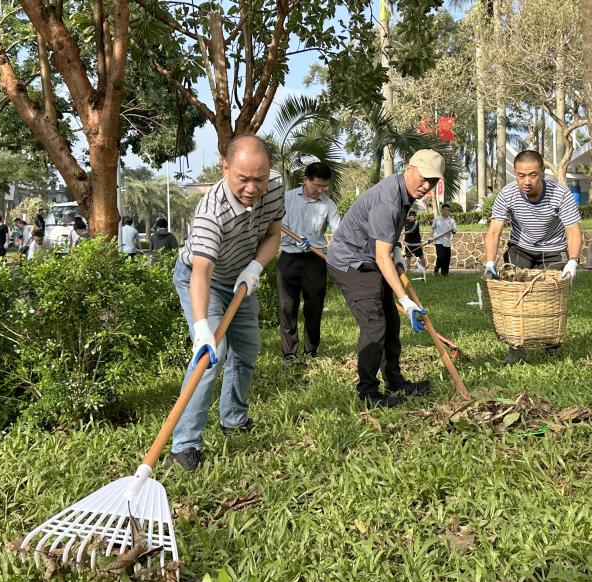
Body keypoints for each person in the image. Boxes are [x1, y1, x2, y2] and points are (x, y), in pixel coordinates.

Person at [169, 135, 284, 472]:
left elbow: (274, 233)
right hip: (202, 280)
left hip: (240, 279)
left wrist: (255, 268)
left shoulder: (275, 186)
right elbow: (201, 272)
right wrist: (202, 328)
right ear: (225, 168)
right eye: (243, 179)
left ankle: (233, 418)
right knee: (210, 357)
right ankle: (184, 445)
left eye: (259, 179)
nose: (252, 188)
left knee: (247, 349)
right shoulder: (211, 212)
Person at [326, 150, 442, 408]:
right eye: (424, 178)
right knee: (375, 325)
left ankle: (395, 381)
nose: (427, 186)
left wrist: (397, 252)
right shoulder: (388, 199)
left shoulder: (404, 193)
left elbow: (386, 240)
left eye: (433, 182)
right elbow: (381, 257)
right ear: (409, 168)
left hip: (370, 258)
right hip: (351, 262)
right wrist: (405, 300)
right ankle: (368, 393)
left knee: (391, 321)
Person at [483, 149, 582, 364]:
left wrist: (573, 261)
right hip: (521, 248)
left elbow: (573, 229)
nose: (526, 181)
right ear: (515, 173)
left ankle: (551, 347)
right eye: (521, 175)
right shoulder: (507, 194)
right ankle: (516, 349)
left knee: (552, 296)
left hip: (554, 250)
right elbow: (494, 230)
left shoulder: (560, 194)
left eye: (533, 175)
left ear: (542, 173)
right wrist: (489, 262)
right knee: (514, 298)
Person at [276, 161, 340, 365]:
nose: (320, 190)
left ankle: (311, 352)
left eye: (324, 187)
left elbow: (339, 232)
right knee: (287, 307)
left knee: (314, 306)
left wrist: (338, 250)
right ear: (305, 180)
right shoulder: (287, 198)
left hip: (315, 259)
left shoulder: (328, 205)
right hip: (289, 257)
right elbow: (277, 226)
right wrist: (294, 239)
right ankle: (289, 354)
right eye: (317, 186)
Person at [429, 204, 457, 276]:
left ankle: (445, 273)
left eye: (448, 210)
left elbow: (454, 231)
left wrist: (453, 231)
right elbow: (432, 229)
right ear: (442, 210)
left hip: (447, 241)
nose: (447, 211)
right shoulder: (437, 219)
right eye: (445, 210)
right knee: (440, 256)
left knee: (447, 257)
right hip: (438, 241)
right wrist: (431, 237)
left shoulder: (451, 220)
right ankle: (436, 269)